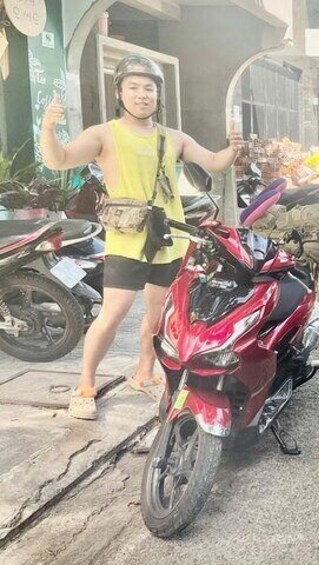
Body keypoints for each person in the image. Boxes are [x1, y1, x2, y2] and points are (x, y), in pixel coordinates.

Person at [40, 55, 244, 419]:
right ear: (119, 92)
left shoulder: (173, 137)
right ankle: (85, 385)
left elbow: (213, 162)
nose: (142, 95)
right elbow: (60, 160)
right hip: (126, 237)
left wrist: (233, 147)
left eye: (148, 88)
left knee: (158, 314)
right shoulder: (104, 134)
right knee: (113, 313)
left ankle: (144, 373)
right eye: (133, 87)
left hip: (168, 240)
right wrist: (48, 130)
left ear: (158, 95)